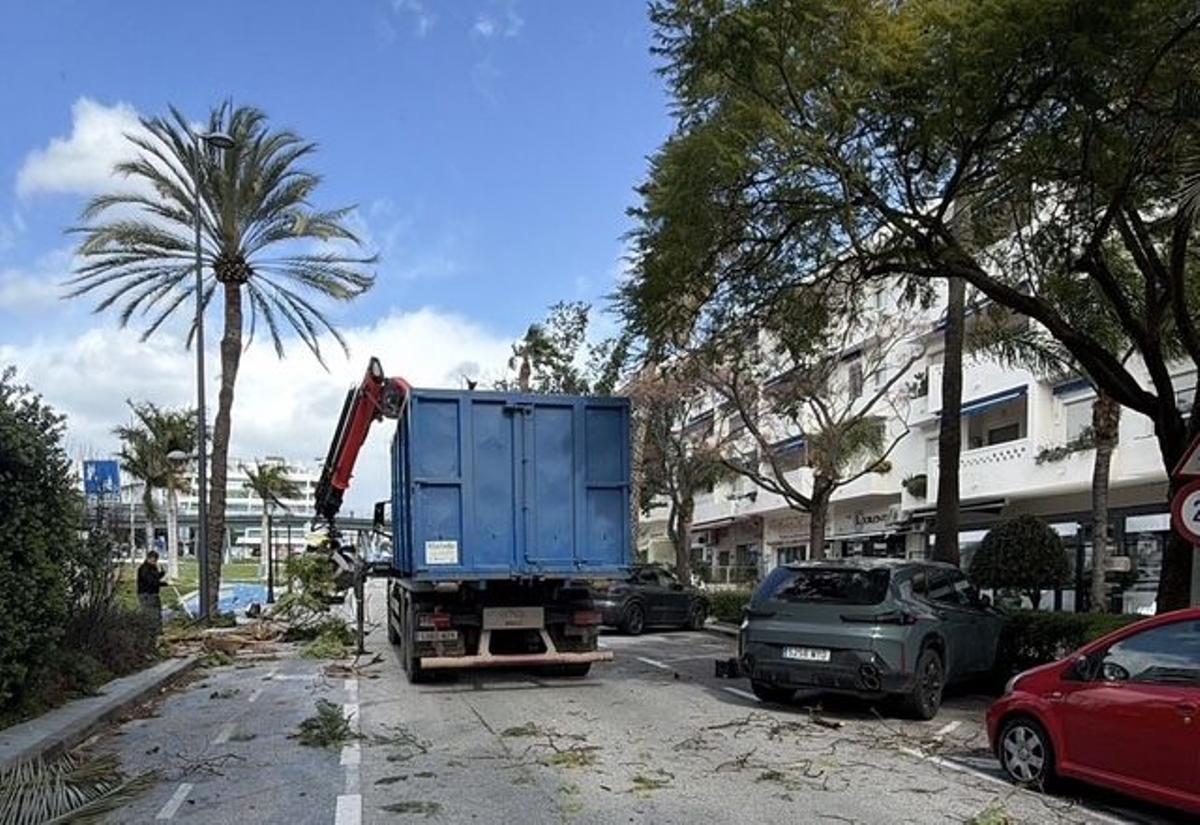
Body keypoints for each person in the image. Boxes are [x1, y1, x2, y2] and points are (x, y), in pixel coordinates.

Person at [137, 550, 166, 633]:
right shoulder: (144, 568)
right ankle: (149, 631)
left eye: (156, 560)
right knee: (149, 613)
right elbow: (150, 581)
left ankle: (158, 630)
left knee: (157, 612)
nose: (155, 562)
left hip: (154, 593)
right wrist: (162, 584)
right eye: (153, 560)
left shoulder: (153, 568)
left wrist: (162, 574)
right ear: (149, 558)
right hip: (146, 594)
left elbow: (155, 577)